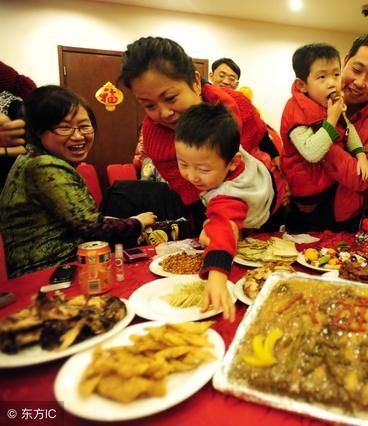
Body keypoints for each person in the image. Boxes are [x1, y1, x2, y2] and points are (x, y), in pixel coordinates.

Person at [119, 36, 285, 233]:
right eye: (149, 105)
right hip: (215, 212)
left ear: (196, 82)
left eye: (170, 98)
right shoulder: (156, 139)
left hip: (267, 198)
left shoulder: (237, 103)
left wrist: (283, 179)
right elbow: (193, 196)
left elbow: (263, 140)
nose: (164, 113)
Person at [0, 86, 155, 277]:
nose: (78, 136)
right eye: (64, 127)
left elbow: (75, 220)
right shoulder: (44, 165)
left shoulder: (33, 158)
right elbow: (93, 228)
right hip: (49, 273)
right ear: (40, 131)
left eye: (84, 126)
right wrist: (137, 223)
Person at [175, 103, 286, 321]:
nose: (192, 176)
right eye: (183, 164)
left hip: (268, 213)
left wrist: (216, 276)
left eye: (203, 169)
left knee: (211, 232)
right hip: (266, 187)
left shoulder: (230, 195)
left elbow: (223, 229)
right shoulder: (224, 148)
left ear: (234, 162)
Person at [281, 43, 368, 231]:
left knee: (326, 244)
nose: (332, 83)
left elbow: (348, 128)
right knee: (300, 245)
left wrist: (361, 155)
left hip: (328, 190)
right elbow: (312, 152)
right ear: (302, 85)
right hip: (303, 198)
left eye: (336, 74)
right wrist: (331, 119)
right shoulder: (294, 111)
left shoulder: (332, 103)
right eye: (322, 77)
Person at [319, 32, 368, 230]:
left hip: (345, 216)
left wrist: (319, 140)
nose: (360, 82)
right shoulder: (316, 92)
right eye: (356, 69)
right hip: (300, 205)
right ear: (345, 60)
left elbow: (361, 178)